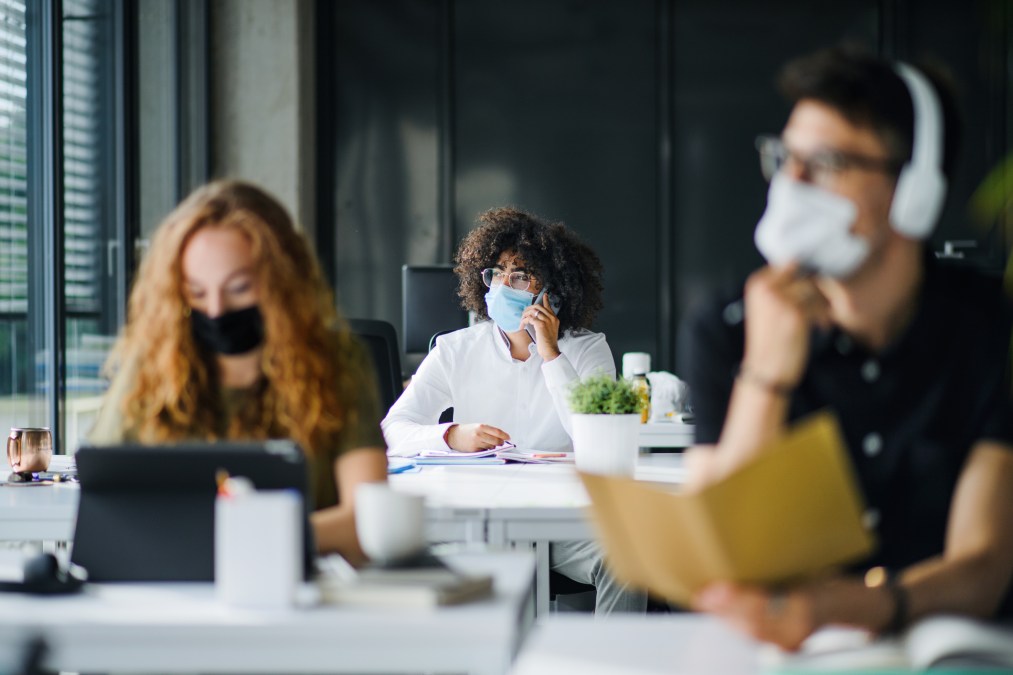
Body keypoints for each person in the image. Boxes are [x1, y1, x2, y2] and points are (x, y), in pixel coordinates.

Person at [679, 45, 1013, 649]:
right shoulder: (725, 326)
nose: (792, 183)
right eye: (785, 157)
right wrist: (766, 373)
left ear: (912, 192)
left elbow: (984, 566)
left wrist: (860, 605)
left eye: (826, 161)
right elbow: (722, 554)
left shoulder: (990, 327)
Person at [89, 180, 388, 566]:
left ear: (282, 282)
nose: (216, 310)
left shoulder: (336, 363)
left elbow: (367, 520)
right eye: (196, 293)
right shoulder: (150, 370)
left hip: (298, 593)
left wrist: (253, 540)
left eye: (239, 288)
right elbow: (105, 499)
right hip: (169, 592)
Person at [382, 206, 647, 614]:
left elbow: (596, 437)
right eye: (497, 273)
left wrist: (551, 353)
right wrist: (451, 435)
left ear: (551, 287)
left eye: (520, 275)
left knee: (628, 556)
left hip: (562, 523)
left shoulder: (589, 348)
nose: (504, 285)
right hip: (478, 521)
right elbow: (392, 429)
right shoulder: (456, 348)